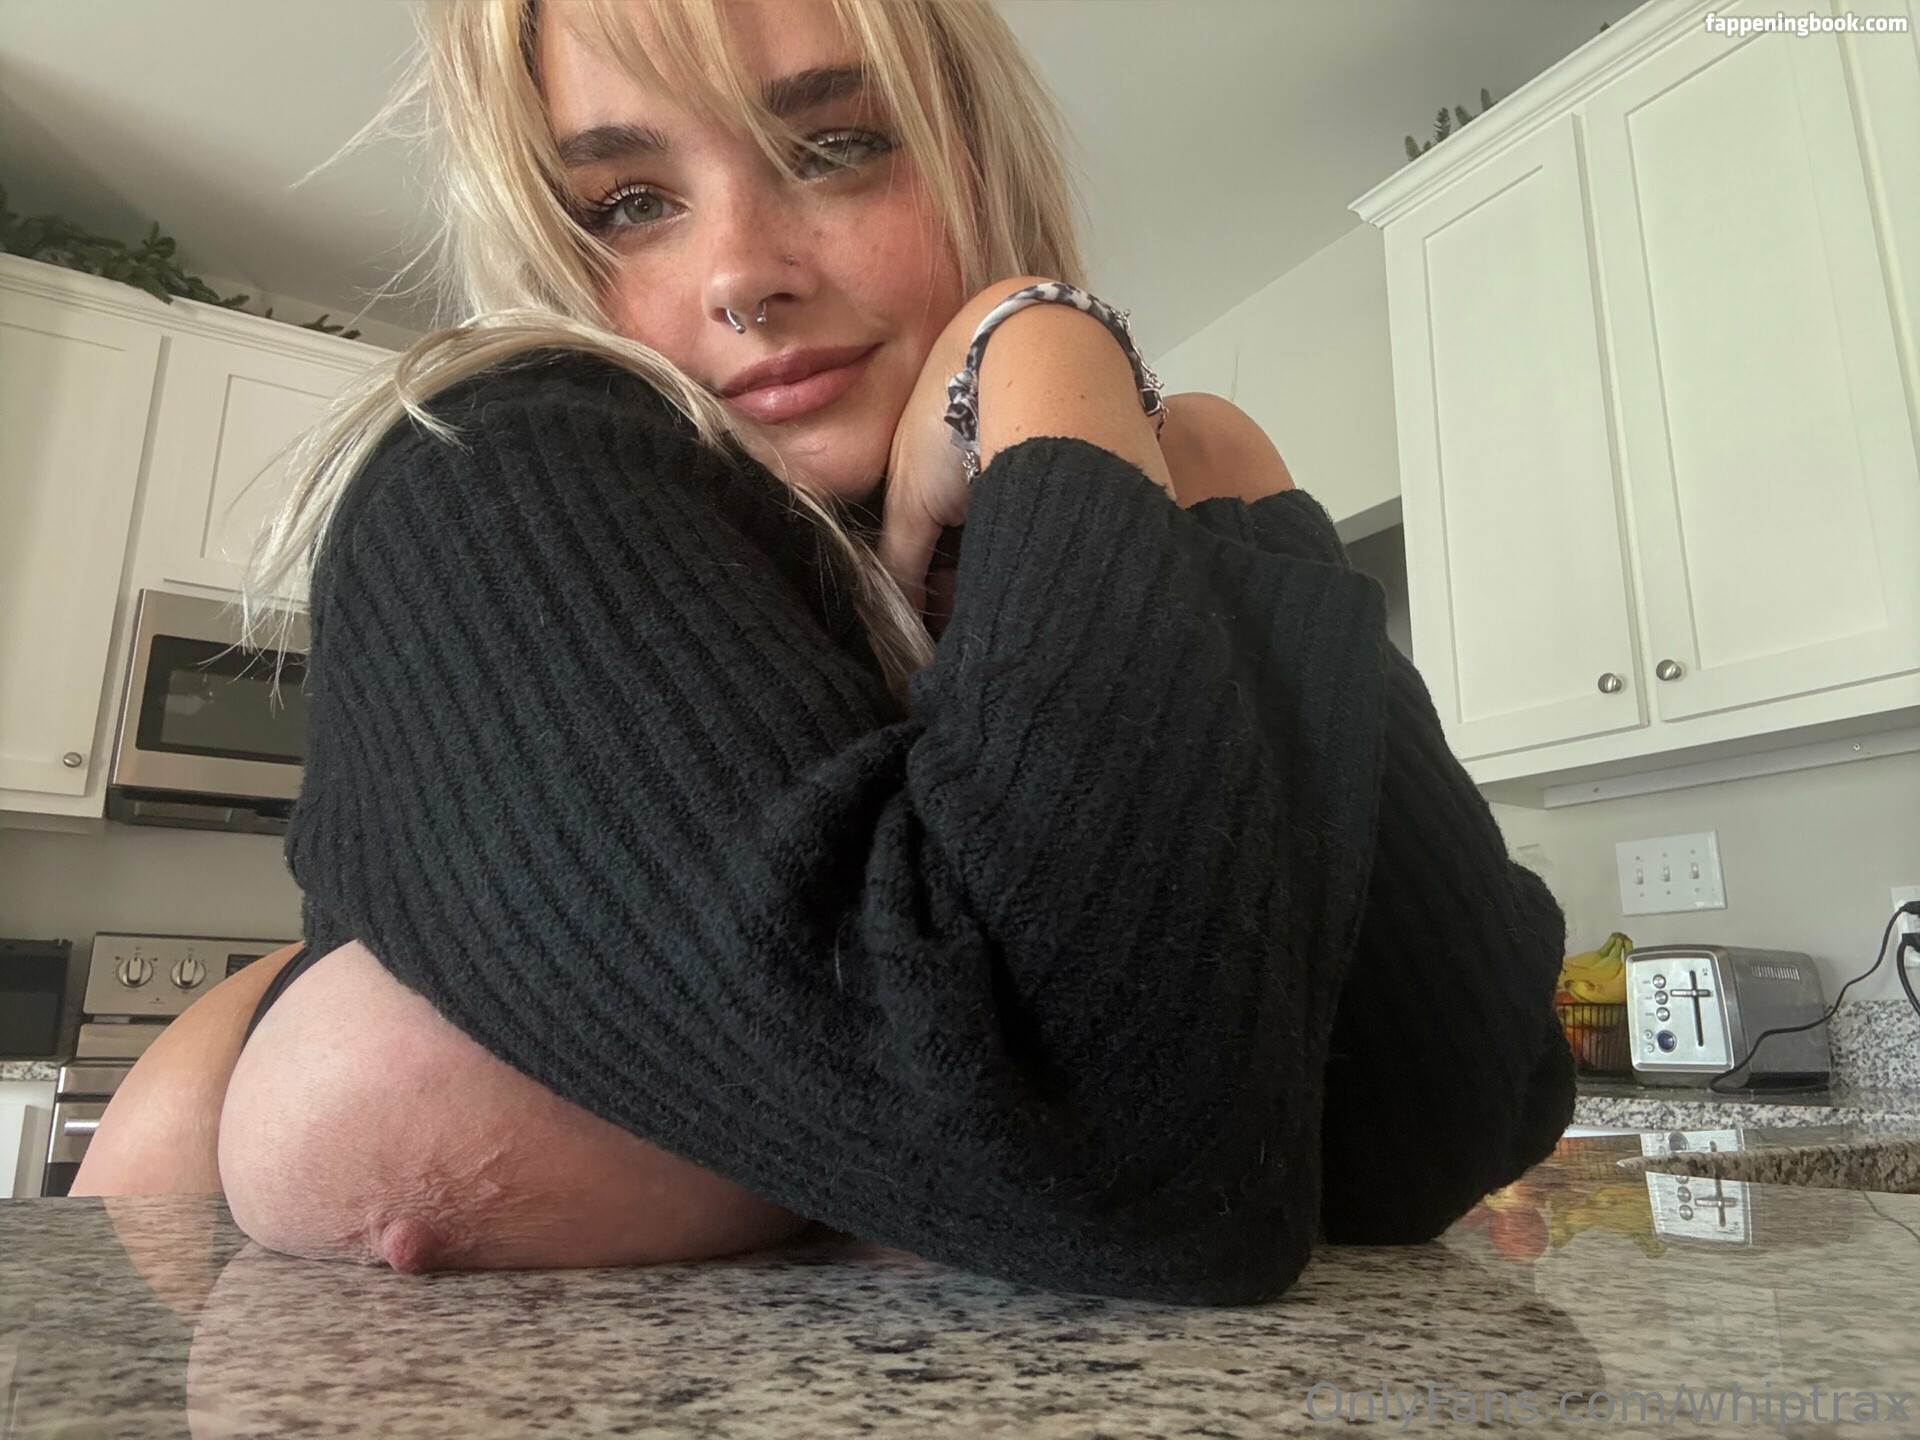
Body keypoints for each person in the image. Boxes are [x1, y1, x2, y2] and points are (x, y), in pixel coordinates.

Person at [77, 0, 1573, 1306]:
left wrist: (1223, 478)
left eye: (836, 147)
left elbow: (1437, 1125)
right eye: (628, 203)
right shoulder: (492, 465)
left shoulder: (1033, 552)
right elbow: (1128, 1155)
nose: (743, 271)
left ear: (978, 155)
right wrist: (1049, 345)